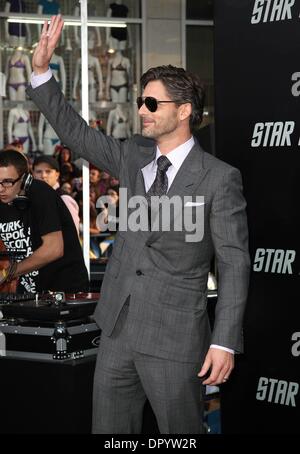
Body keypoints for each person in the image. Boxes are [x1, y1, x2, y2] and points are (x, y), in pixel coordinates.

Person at [27, 16, 250, 434]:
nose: (142, 111)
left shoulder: (219, 178)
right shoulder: (133, 155)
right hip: (116, 330)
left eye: (153, 103)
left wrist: (224, 341)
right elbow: (75, 133)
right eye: (140, 101)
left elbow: (234, 265)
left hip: (176, 337)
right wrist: (41, 72)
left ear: (184, 111)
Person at [0, 149, 89, 294]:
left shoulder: (41, 194)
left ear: (25, 179)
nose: (1, 189)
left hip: (63, 291)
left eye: (8, 182)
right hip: (28, 294)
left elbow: (54, 249)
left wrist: (6, 273)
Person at [32, 155, 80, 235]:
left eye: (48, 171)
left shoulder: (64, 199)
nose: (43, 176)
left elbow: (72, 236)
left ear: (57, 175)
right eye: (39, 172)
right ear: (33, 174)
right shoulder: (33, 199)